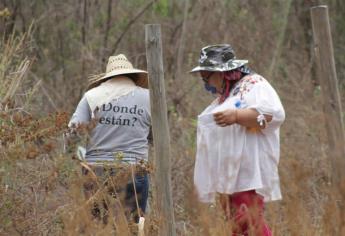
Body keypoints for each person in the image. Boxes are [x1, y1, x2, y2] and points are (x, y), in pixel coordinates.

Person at [191, 44, 285, 236]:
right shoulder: (228, 95)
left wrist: (237, 116)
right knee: (236, 226)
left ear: (222, 73)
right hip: (228, 177)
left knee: (248, 222)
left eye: (207, 76)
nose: (205, 83)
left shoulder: (254, 84)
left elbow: (273, 114)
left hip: (247, 174)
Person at [68, 54, 151, 224]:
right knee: (135, 226)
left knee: (98, 226)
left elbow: (72, 135)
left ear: (107, 77)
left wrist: (81, 158)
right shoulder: (149, 97)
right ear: (133, 76)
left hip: (96, 171)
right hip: (134, 169)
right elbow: (156, 136)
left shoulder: (91, 96)